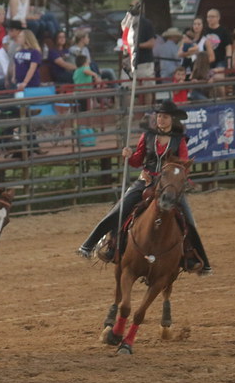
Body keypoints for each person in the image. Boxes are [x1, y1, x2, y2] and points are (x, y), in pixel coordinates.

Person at [77, 100, 210, 274]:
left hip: (168, 186)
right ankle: (91, 245)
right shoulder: (147, 136)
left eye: (165, 117)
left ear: (172, 119)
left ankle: (198, 260)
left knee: (189, 221)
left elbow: (184, 164)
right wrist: (129, 155)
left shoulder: (179, 141)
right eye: (159, 116)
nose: (161, 120)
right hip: (145, 181)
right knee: (119, 210)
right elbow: (137, 161)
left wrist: (176, 179)